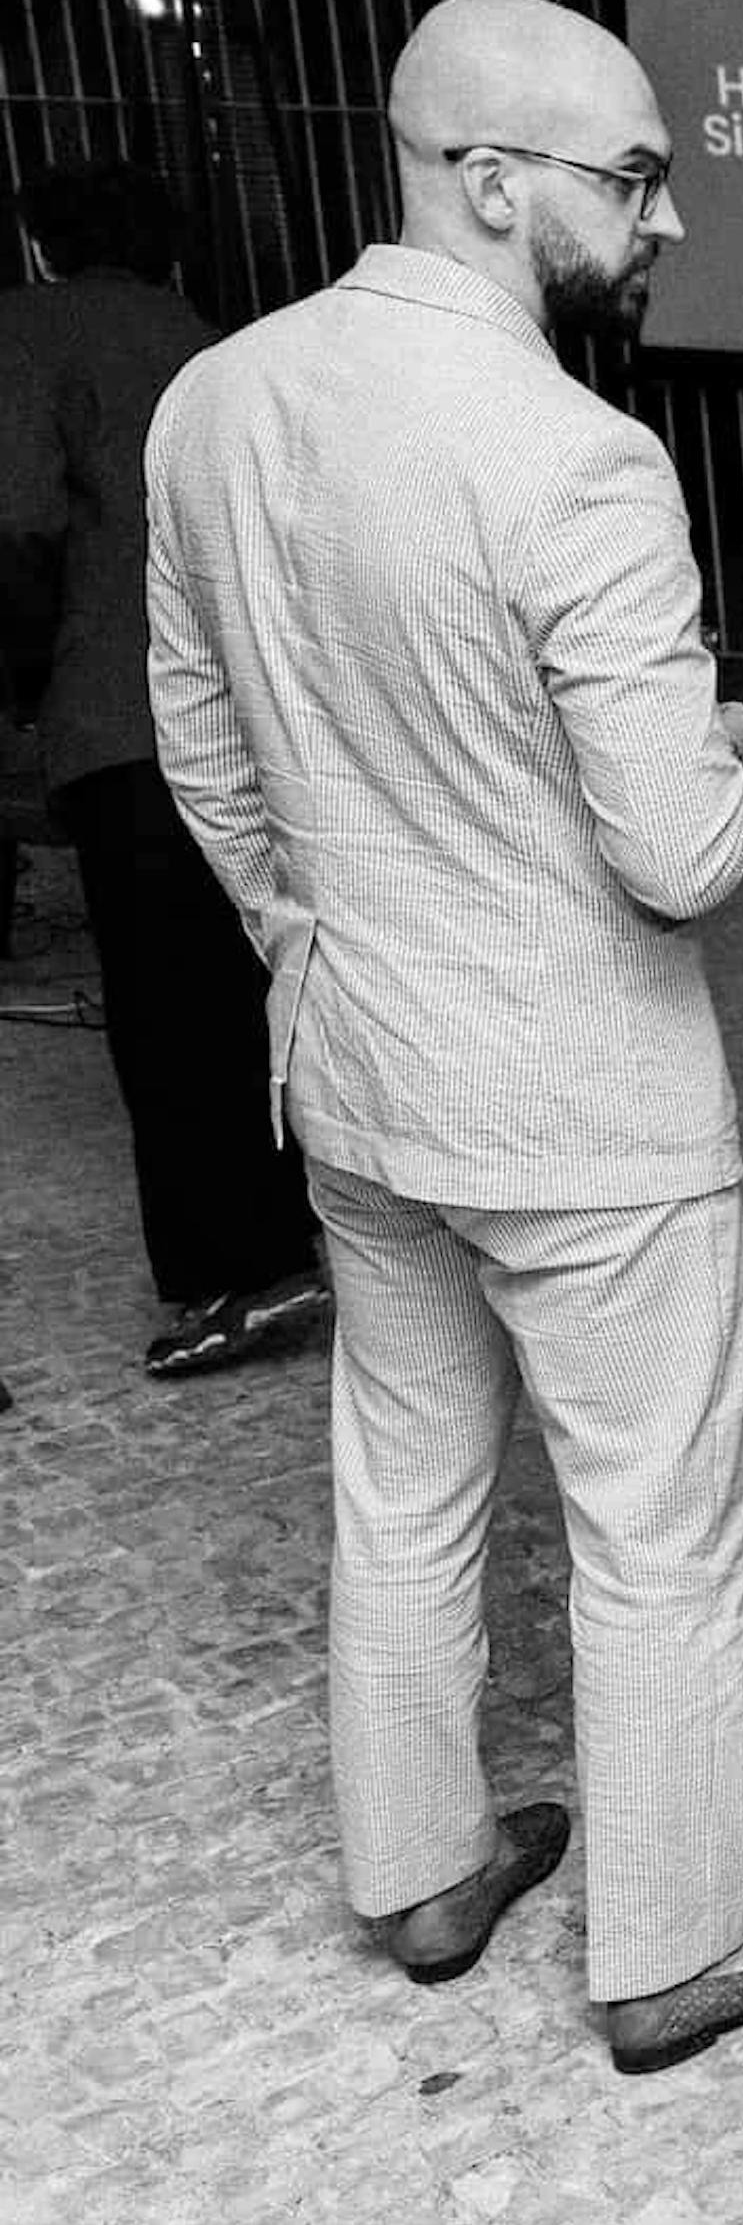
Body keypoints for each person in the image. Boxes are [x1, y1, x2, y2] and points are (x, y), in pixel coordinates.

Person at [140, 0, 743, 2067]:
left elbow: (202, 748)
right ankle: (667, 1943)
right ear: (485, 179)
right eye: (630, 176)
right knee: (653, 1530)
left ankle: (426, 1868)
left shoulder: (216, 401)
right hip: (582, 1101)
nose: (667, 219)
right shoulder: (579, 457)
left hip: (357, 1066)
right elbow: (679, 856)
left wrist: (313, 928)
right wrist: (726, 748)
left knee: (402, 1474)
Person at [1, 158, 325, 1377]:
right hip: (259, 711)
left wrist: (30, 676)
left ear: (42, 243)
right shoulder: (226, 344)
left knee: (160, 1010)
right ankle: (299, 1229)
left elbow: (18, 520)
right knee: (248, 979)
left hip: (121, 707)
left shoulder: (31, 327)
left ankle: (235, 1273)